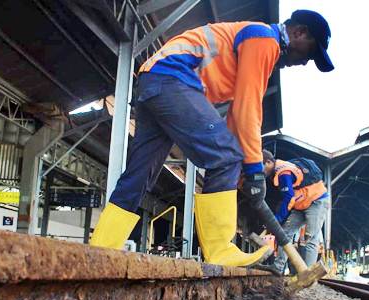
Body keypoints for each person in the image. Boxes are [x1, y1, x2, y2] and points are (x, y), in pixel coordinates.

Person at [90, 10, 334, 269]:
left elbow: (232, 121)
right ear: (299, 33)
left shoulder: (256, 38)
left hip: (153, 81)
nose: (306, 61)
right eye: (310, 53)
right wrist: (253, 169)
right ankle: (220, 249)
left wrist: (239, 172)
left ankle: (102, 248)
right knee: (226, 156)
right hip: (174, 78)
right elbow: (247, 109)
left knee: (140, 174)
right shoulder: (265, 40)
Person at [261, 150, 329, 275]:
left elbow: (289, 198)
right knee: (284, 234)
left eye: (261, 166)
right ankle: (278, 267)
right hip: (301, 205)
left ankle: (307, 275)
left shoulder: (283, 172)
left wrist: (275, 220)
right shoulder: (278, 172)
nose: (260, 171)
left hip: (317, 201)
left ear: (269, 162)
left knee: (310, 238)